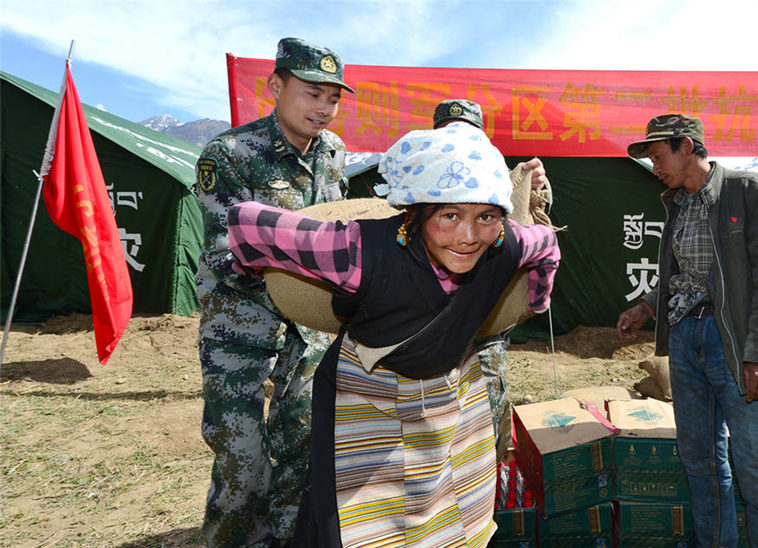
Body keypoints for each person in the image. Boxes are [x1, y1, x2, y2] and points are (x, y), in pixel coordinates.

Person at [228, 122, 561, 547]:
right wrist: (247, 269)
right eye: (450, 215)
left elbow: (548, 245)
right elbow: (245, 221)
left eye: (486, 216)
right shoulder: (357, 251)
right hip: (365, 390)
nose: (469, 236)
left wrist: (538, 298)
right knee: (349, 519)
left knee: (451, 506)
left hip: (448, 385)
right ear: (416, 212)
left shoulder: (509, 243)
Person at [616, 114, 758, 547]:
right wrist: (646, 306)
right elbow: (686, 274)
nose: (655, 167)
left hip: (736, 344)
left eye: (658, 156)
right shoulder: (679, 204)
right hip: (686, 343)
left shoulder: (748, 191)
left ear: (687, 146)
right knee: (701, 464)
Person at [194, 37, 353, 547]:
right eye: (312, 93)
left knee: (304, 438)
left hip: (310, 321)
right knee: (241, 454)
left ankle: (290, 538)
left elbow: (335, 226)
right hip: (240, 317)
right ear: (275, 87)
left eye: (333, 98)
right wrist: (296, 270)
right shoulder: (230, 153)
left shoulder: (334, 154)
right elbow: (224, 251)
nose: (324, 108)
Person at [431, 98, 553, 462]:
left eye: (467, 134)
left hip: (484, 335)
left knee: (485, 430)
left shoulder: (497, 180)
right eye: (448, 135)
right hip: (429, 337)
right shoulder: (417, 184)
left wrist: (537, 190)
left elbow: (530, 232)